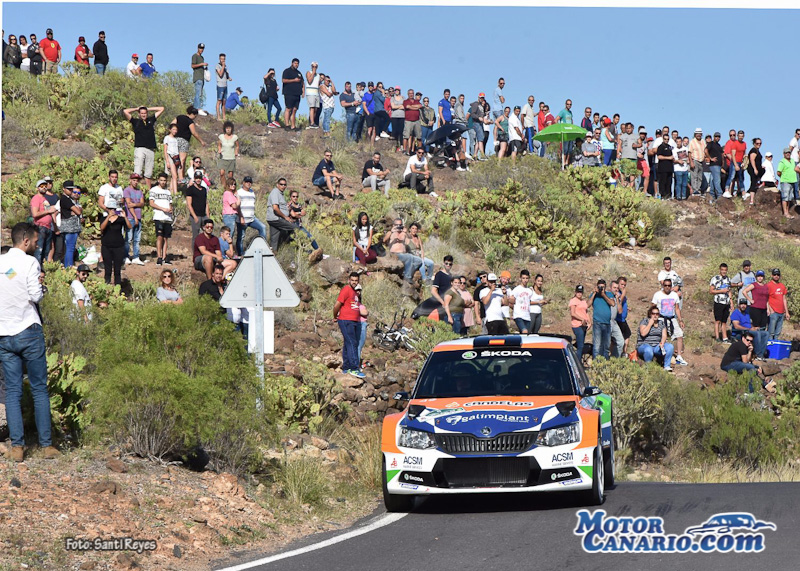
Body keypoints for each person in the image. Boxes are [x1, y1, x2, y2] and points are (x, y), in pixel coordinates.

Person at [0, 223, 60, 462]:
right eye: (35, 242)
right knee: (39, 388)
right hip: (28, 329)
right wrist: (42, 288)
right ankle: (46, 445)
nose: (37, 245)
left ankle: (17, 447)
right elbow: (35, 295)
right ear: (25, 240)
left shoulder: (1, 262)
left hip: (4, 333)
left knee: (12, 391)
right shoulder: (30, 262)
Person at [123, 105, 164, 189]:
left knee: (148, 173)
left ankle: (149, 191)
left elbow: (161, 109)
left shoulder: (151, 120)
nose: (143, 115)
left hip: (150, 149)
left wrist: (147, 108)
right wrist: (136, 109)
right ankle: (134, 190)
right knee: (137, 172)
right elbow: (125, 111)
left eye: (145, 113)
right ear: (139, 114)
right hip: (140, 148)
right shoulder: (135, 121)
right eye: (141, 113)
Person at [333, 272, 365, 379]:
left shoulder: (355, 292)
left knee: (348, 343)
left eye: (356, 280)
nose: (354, 282)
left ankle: (346, 367)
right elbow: (337, 305)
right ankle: (354, 368)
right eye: (352, 280)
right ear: (349, 280)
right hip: (345, 320)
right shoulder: (346, 289)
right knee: (352, 342)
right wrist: (335, 316)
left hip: (354, 321)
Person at [652, 278, 688, 365]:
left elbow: (677, 309)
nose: (667, 287)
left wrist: (680, 320)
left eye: (669, 285)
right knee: (663, 337)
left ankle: (679, 356)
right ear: (663, 286)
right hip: (661, 318)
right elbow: (652, 308)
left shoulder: (674, 295)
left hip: (672, 318)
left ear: (671, 286)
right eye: (665, 285)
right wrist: (652, 319)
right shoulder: (657, 295)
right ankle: (662, 355)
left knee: (679, 335)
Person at [235, 176, 268, 255]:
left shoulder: (252, 192)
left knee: (262, 227)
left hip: (252, 218)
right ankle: (240, 254)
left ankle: (262, 249)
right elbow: (237, 206)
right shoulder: (239, 192)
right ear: (243, 183)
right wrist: (240, 217)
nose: (248, 183)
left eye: (250, 182)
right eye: (247, 182)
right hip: (242, 218)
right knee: (241, 237)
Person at [100, 203, 131, 285]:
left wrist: (125, 217)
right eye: (109, 209)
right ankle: (107, 285)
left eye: (113, 209)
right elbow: (102, 228)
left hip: (118, 246)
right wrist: (108, 217)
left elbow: (129, 227)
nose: (111, 210)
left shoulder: (120, 220)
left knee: (117, 269)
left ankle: (118, 286)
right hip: (106, 246)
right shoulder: (103, 218)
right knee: (107, 268)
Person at [636, 305, 674, 371]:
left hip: (656, 346)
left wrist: (662, 343)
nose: (655, 315)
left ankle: (667, 366)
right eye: (653, 313)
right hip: (644, 345)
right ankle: (648, 367)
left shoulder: (661, 323)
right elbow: (643, 333)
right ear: (650, 314)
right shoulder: (645, 321)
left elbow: (664, 335)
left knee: (670, 346)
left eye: (657, 314)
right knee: (648, 349)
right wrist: (650, 324)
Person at [382, 218, 420, 283]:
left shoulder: (404, 233)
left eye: (400, 225)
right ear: (394, 225)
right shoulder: (391, 232)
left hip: (403, 254)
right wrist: (392, 231)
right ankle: (407, 276)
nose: (398, 226)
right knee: (409, 257)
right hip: (394, 254)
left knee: (418, 260)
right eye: (397, 225)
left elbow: (410, 237)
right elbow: (384, 240)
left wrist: (406, 232)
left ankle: (406, 273)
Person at [149, 173, 174, 266]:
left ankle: (164, 257)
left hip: (167, 217)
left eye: (164, 180)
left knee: (166, 238)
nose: (163, 182)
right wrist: (162, 209)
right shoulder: (154, 190)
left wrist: (170, 209)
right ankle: (159, 257)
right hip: (159, 216)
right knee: (159, 236)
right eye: (161, 180)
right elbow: (151, 203)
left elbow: (170, 203)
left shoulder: (168, 192)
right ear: (158, 180)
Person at [588, 279, 615, 360]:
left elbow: (612, 303)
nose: (601, 289)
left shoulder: (609, 294)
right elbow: (587, 305)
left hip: (607, 323)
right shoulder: (594, 295)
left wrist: (603, 294)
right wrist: (594, 293)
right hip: (597, 323)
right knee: (597, 346)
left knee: (606, 346)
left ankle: (605, 363)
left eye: (602, 287)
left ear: (605, 287)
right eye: (599, 287)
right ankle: (596, 364)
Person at [266, 178, 296, 252]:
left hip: (273, 219)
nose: (283, 186)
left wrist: (287, 209)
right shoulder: (275, 192)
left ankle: (273, 254)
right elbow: (275, 208)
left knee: (274, 240)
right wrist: (285, 217)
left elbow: (281, 207)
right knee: (295, 228)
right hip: (276, 218)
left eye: (284, 185)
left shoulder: (280, 193)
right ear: (277, 185)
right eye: (281, 184)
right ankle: (294, 248)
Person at [122, 173, 146, 265]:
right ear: (130, 180)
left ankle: (136, 256)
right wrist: (135, 216)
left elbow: (142, 203)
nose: (135, 182)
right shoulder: (127, 191)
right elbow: (129, 205)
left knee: (137, 239)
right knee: (128, 238)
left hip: (139, 217)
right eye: (134, 180)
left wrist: (135, 204)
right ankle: (126, 256)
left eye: (137, 180)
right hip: (130, 217)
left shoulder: (139, 191)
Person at [174, 106, 206, 175]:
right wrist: (201, 141)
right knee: (182, 160)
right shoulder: (190, 121)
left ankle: (174, 175)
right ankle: (180, 176)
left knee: (175, 158)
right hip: (184, 141)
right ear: (193, 114)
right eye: (195, 116)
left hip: (175, 139)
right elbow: (194, 132)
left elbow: (172, 124)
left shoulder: (179, 117)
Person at [59, 180, 83, 268]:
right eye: (68, 189)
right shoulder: (65, 199)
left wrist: (76, 211)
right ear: (64, 189)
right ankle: (69, 266)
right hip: (70, 227)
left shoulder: (67, 199)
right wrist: (76, 211)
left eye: (71, 189)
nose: (70, 191)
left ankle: (67, 265)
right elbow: (78, 211)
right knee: (70, 248)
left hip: (69, 227)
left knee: (69, 248)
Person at [709, 263, 734, 343]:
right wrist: (721, 291)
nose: (724, 271)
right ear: (720, 270)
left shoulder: (728, 279)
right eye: (722, 270)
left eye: (725, 270)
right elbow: (711, 291)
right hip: (718, 302)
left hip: (726, 302)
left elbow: (729, 291)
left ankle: (725, 337)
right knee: (718, 320)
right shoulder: (715, 279)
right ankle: (717, 337)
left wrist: (731, 302)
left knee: (724, 321)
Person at [185, 171, 210, 245]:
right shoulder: (190, 189)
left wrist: (208, 216)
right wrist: (195, 217)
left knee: (208, 234)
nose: (198, 179)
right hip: (195, 215)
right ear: (194, 178)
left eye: (199, 178)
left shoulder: (204, 189)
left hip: (204, 215)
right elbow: (189, 204)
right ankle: (195, 251)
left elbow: (206, 203)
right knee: (196, 236)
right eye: (197, 178)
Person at [767, 268, 789, 340]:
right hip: (773, 312)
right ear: (772, 275)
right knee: (771, 332)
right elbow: (766, 299)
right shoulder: (769, 285)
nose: (776, 276)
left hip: (781, 313)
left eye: (778, 274)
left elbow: (784, 299)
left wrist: (787, 312)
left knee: (777, 333)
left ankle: (775, 345)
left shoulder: (782, 286)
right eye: (774, 274)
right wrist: (770, 309)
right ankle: (770, 345)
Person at [282, 58, 304, 131]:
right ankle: (287, 125)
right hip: (289, 93)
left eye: (297, 63)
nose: (296, 65)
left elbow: (302, 82)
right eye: (295, 63)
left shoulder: (299, 73)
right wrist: (294, 80)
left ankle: (293, 126)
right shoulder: (287, 71)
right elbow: (284, 80)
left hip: (297, 94)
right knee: (288, 108)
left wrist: (303, 91)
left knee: (294, 109)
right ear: (292, 63)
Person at [509, 270, 533, 334]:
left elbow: (529, 302)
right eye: (523, 278)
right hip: (519, 316)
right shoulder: (517, 289)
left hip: (527, 316)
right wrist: (515, 309)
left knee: (526, 335)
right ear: (520, 278)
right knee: (524, 331)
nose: (525, 280)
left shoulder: (529, 291)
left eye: (527, 278)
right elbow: (511, 301)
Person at [777, 148, 798, 219]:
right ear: (784, 154)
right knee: (785, 197)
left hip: (792, 181)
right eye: (786, 153)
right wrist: (784, 177)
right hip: (785, 181)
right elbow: (778, 172)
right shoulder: (782, 162)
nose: (788, 154)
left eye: (789, 152)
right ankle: (785, 213)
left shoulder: (792, 161)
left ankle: (787, 211)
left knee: (789, 198)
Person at [569, 285, 589, 357]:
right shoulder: (573, 301)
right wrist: (581, 319)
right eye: (578, 292)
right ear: (575, 292)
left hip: (584, 325)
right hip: (577, 325)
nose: (579, 294)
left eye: (581, 292)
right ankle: (578, 361)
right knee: (580, 346)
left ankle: (577, 357)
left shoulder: (583, 301)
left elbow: (586, 312)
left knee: (581, 344)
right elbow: (573, 313)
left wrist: (589, 322)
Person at [190, 43, 208, 111]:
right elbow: (192, 66)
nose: (201, 50)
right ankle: (197, 108)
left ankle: (195, 108)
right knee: (198, 94)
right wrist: (201, 64)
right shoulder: (195, 56)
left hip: (202, 78)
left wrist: (204, 68)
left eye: (202, 48)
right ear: (198, 48)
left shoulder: (202, 57)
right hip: (197, 77)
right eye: (200, 48)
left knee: (199, 94)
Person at [215, 53, 232, 121]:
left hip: (225, 85)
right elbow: (220, 74)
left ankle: (224, 117)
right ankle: (218, 117)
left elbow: (226, 75)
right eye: (221, 59)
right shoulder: (217, 66)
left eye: (224, 59)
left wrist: (229, 78)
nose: (222, 60)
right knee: (219, 101)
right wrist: (223, 66)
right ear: (219, 59)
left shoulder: (226, 67)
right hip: (220, 85)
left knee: (224, 102)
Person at [304, 62, 320, 129]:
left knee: (316, 109)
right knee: (312, 107)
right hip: (310, 92)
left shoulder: (318, 75)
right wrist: (313, 72)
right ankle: (312, 123)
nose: (314, 68)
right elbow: (309, 81)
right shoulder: (308, 72)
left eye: (315, 67)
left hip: (316, 93)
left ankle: (313, 121)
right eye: (313, 66)